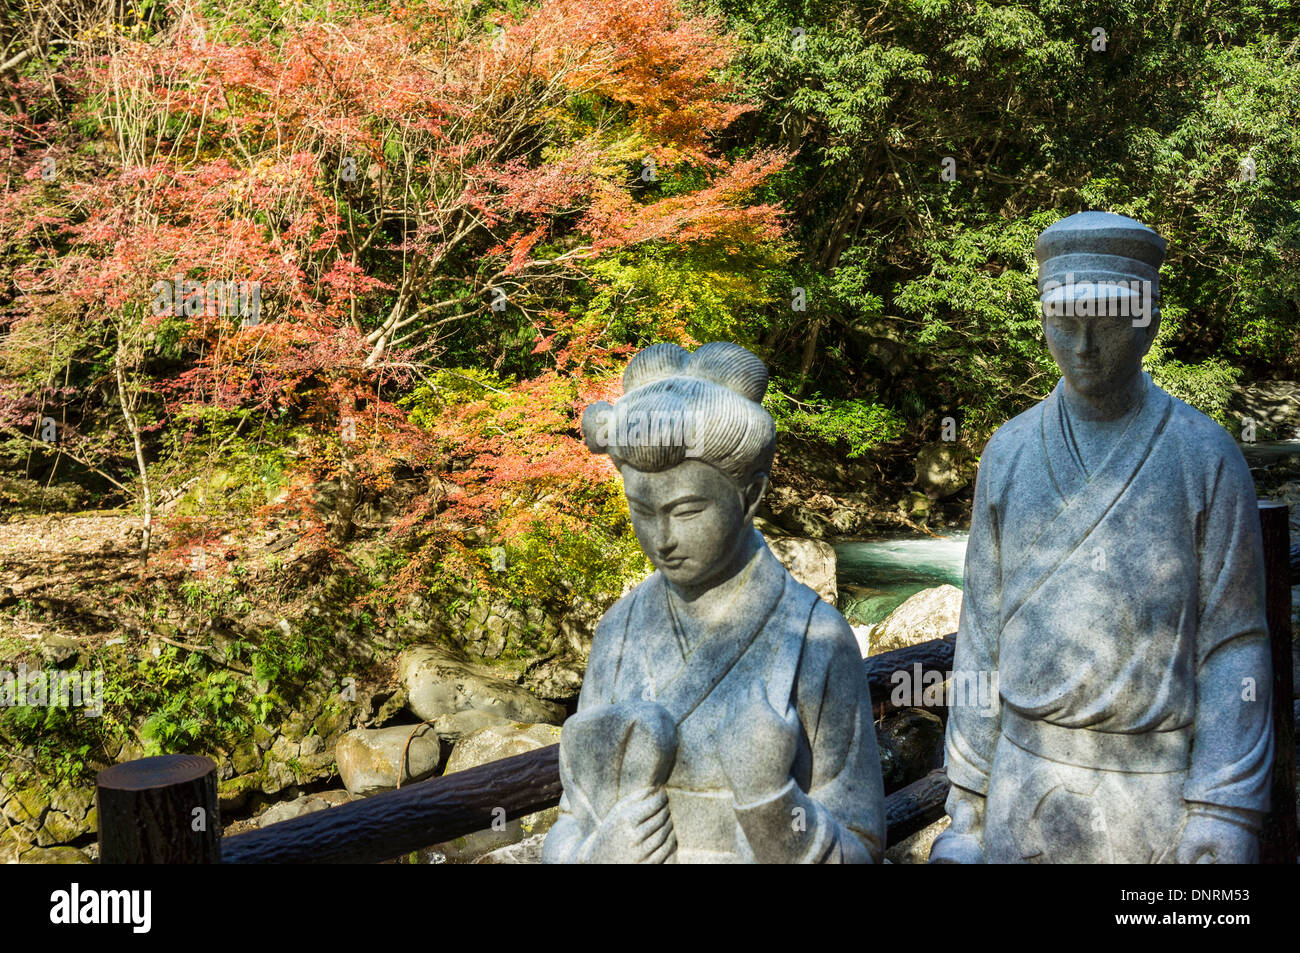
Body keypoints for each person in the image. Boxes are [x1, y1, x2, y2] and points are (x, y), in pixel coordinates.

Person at [931, 211, 1273, 864]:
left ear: (1149, 320)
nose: (1084, 343)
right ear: (1042, 318)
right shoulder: (1008, 454)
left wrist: (1225, 806)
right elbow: (982, 638)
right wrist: (968, 803)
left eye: (1108, 317)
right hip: (1024, 781)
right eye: (1064, 318)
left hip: (1156, 790)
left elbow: (1235, 643)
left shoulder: (1205, 458)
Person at [541, 341, 885, 863]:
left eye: (687, 510)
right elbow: (573, 816)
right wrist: (593, 855)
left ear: (749, 496)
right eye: (642, 509)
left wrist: (773, 804)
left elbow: (863, 848)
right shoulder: (619, 631)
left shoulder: (815, 639)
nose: (662, 538)